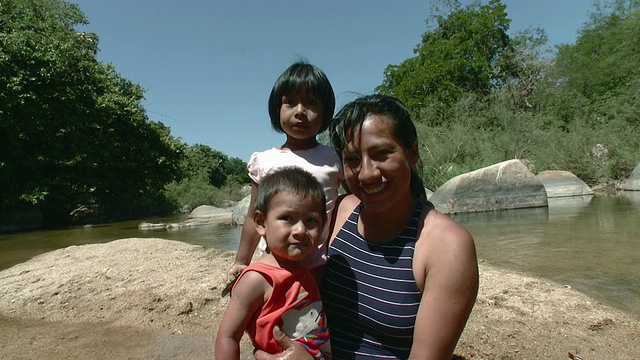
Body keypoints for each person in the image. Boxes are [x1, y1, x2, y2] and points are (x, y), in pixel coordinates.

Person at [255, 94, 479, 360]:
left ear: (412, 153)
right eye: (352, 159)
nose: (366, 173)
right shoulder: (340, 211)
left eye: (381, 154)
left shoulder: (446, 246)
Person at [227, 60, 344, 282]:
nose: (300, 111)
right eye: (290, 102)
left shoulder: (334, 158)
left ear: (325, 110)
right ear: (277, 109)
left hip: (320, 266)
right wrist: (241, 261)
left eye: (311, 103)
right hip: (272, 265)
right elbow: (253, 216)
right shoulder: (264, 161)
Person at [216, 167, 332, 360]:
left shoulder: (301, 269)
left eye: (311, 220)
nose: (300, 230)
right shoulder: (257, 279)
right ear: (261, 223)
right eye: (287, 218)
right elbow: (228, 337)